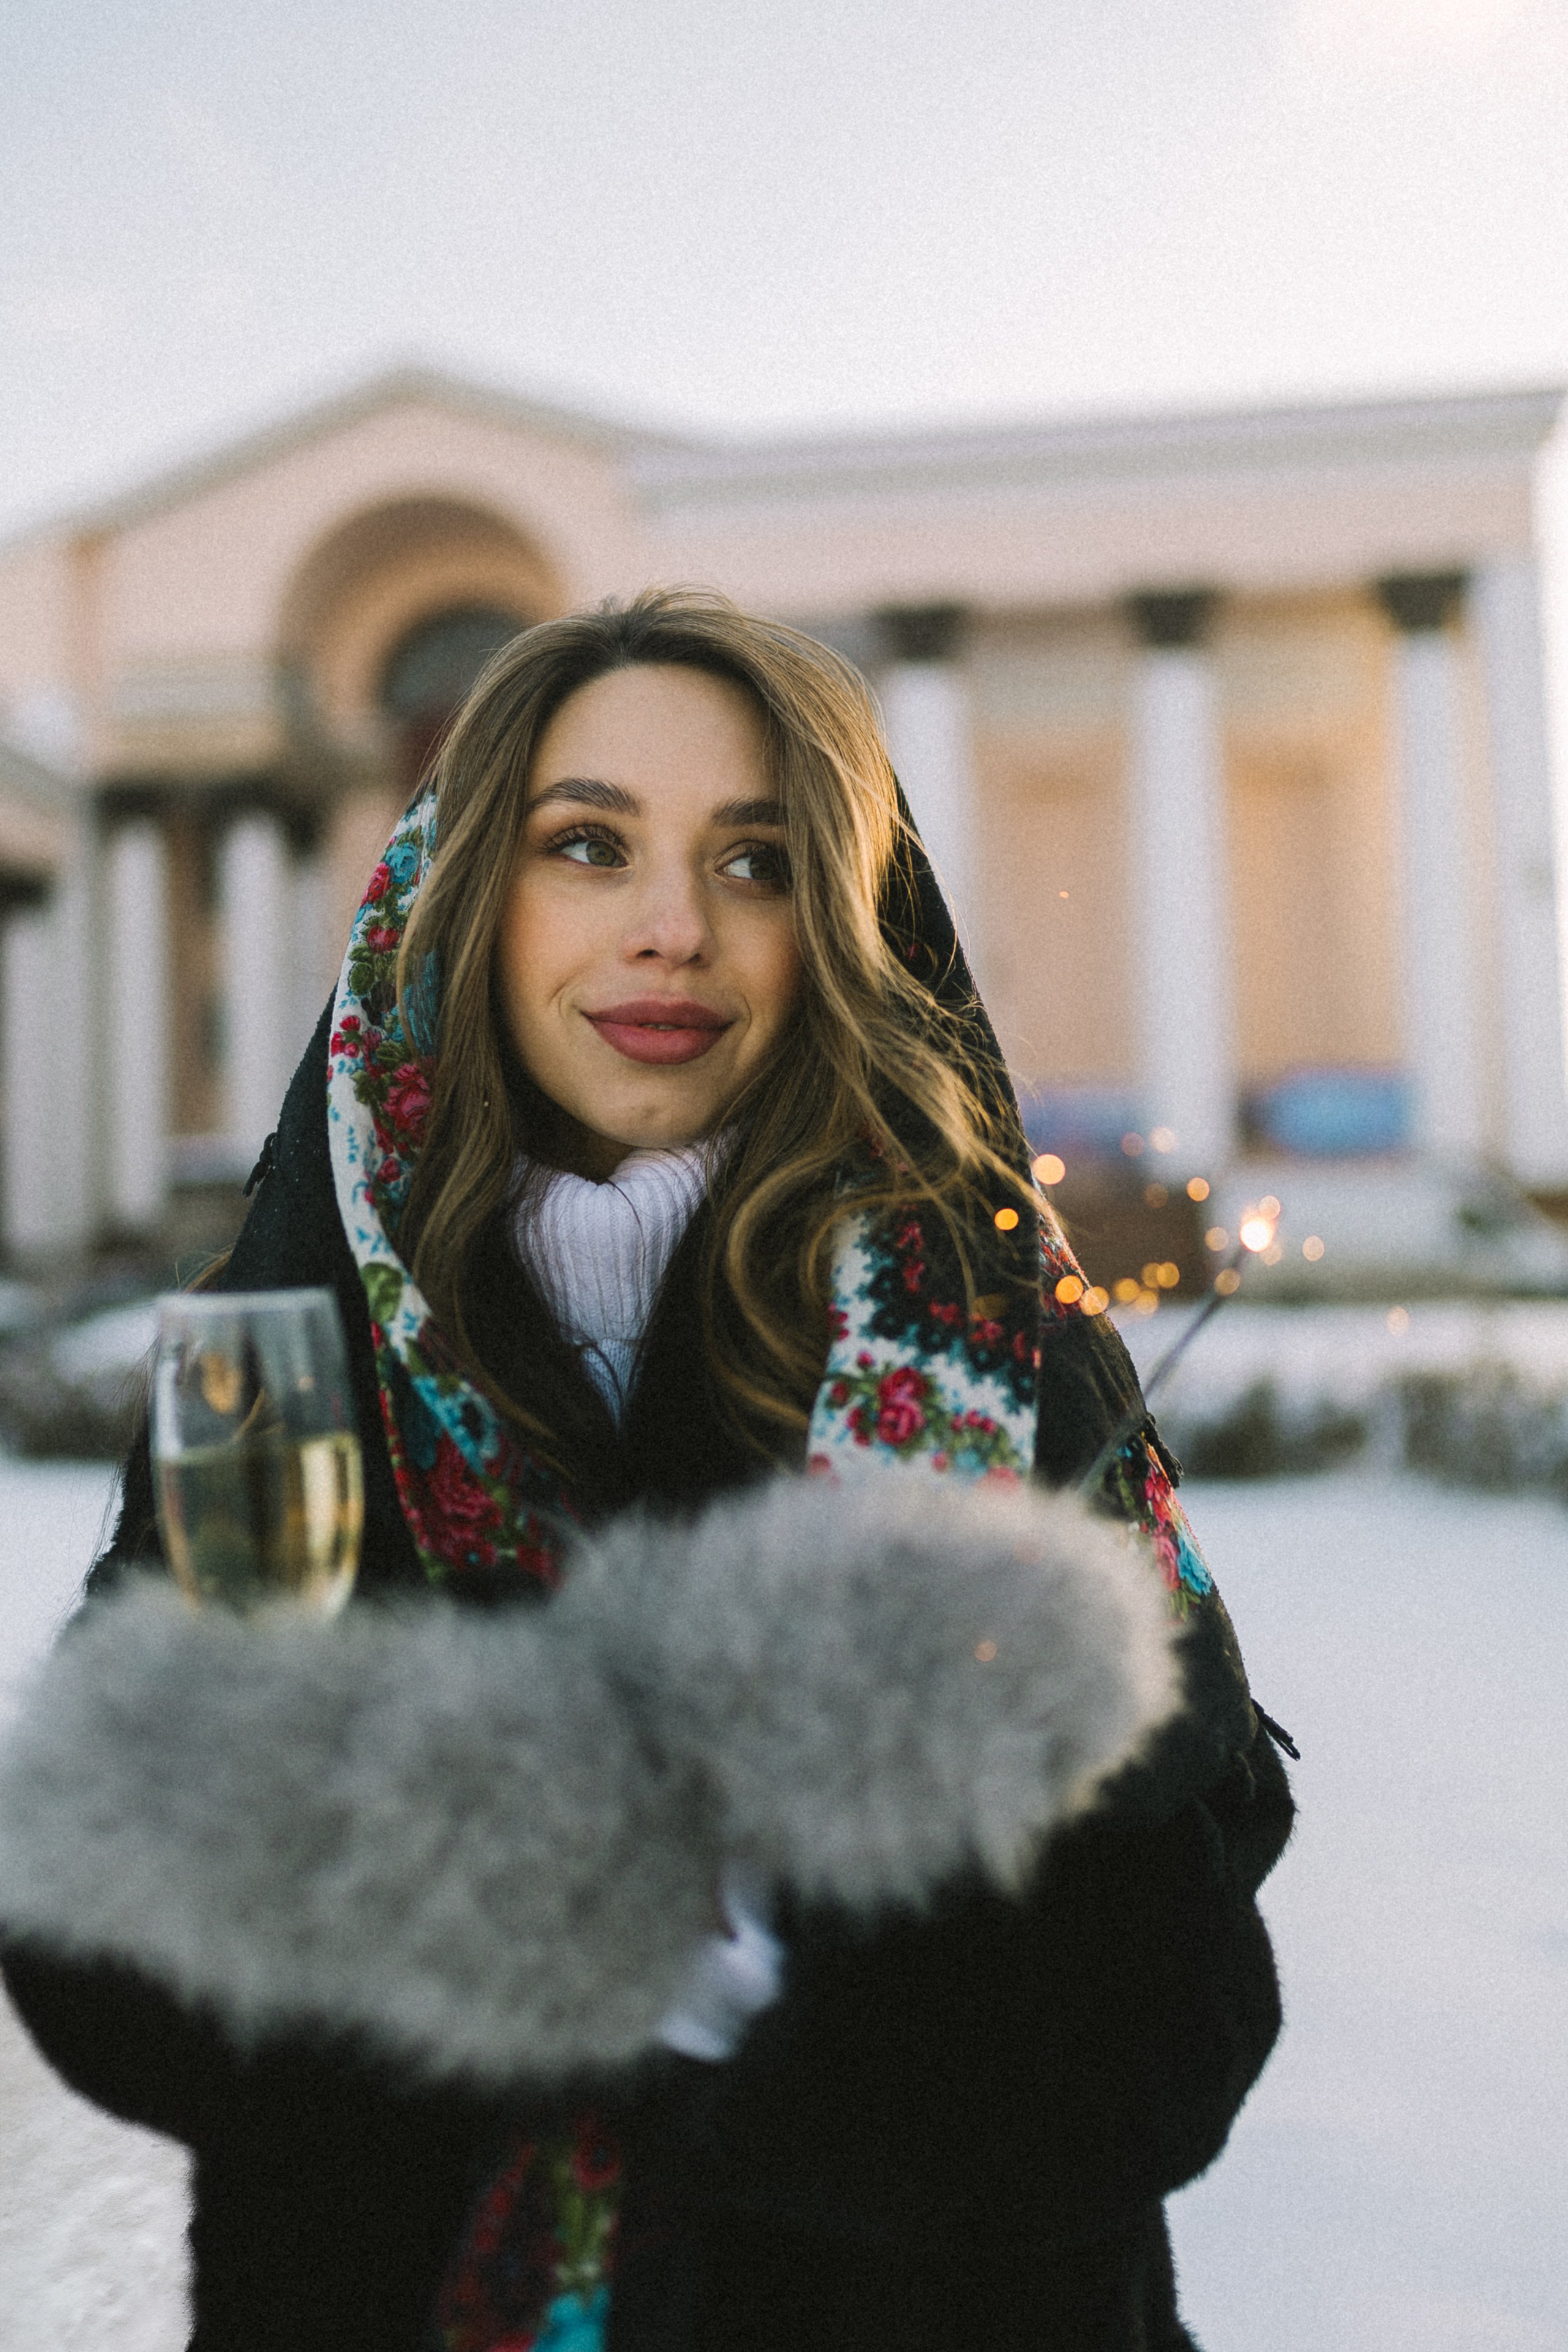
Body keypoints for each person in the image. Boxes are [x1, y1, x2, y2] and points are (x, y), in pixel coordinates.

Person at [0, 590, 1294, 2352]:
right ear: (472, 892)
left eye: (757, 862)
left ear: (839, 920)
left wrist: (796, 2010)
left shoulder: (986, 1348)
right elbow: (102, 1952)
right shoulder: (289, 1356)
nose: (673, 928)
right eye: (588, 846)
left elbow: (1181, 1991)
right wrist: (533, 1920)